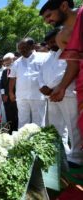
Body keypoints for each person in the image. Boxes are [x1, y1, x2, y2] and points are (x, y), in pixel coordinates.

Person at [38, 29, 83, 165]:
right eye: (49, 43)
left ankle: (76, 157)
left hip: (67, 93)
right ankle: (61, 152)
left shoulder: (69, 51)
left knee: (72, 125)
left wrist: (50, 87)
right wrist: (42, 86)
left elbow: (67, 71)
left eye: (53, 41)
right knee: (56, 126)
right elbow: (41, 73)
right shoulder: (48, 57)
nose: (51, 44)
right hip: (50, 96)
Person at [40, 0, 83, 136]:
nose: (47, 21)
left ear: (63, 6)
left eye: (49, 15)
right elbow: (73, 64)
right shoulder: (62, 37)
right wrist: (62, 87)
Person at [9, 38, 47, 128]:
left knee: (38, 122)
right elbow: (12, 78)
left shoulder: (43, 57)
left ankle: (38, 141)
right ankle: (22, 141)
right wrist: (11, 92)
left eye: (24, 47)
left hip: (38, 95)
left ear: (32, 46)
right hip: (22, 96)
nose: (22, 50)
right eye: (20, 48)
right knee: (23, 121)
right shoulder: (16, 63)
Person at [0, 53, 18, 133]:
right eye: (5, 61)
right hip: (6, 99)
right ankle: (10, 132)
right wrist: (3, 94)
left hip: (16, 97)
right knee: (9, 115)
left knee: (17, 116)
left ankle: (17, 131)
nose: (6, 62)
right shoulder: (4, 72)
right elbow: (2, 84)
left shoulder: (18, 69)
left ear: (13, 59)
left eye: (8, 60)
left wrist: (12, 94)